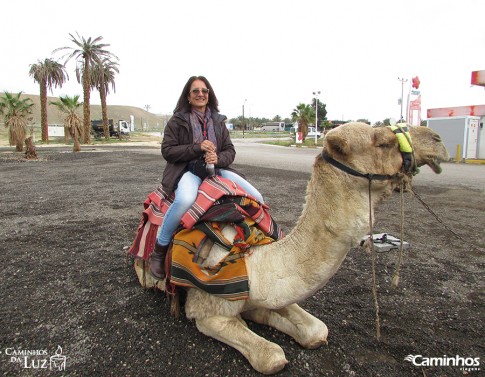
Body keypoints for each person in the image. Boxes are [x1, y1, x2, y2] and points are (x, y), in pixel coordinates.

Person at [150, 75, 264, 280]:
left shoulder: (219, 121)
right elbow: (167, 151)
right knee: (184, 200)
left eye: (204, 91)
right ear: (188, 96)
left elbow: (230, 150)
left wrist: (218, 157)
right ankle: (159, 251)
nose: (200, 94)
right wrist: (197, 148)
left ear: (209, 94)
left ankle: (256, 244)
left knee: (256, 196)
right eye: (196, 91)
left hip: (216, 169)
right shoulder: (178, 121)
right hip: (188, 170)